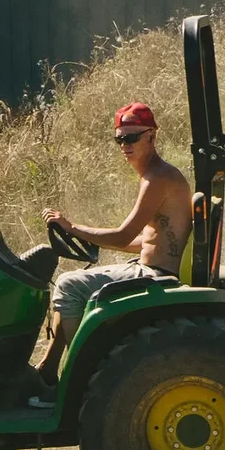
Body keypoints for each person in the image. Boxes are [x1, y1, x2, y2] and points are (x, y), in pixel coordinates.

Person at [31, 101, 192, 399]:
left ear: (151, 136)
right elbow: (147, 240)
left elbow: (122, 235)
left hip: (156, 275)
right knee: (73, 282)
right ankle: (47, 372)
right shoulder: (154, 176)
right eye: (119, 138)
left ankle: (77, 381)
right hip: (150, 266)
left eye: (131, 138)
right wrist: (90, 239)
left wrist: (72, 227)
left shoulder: (159, 178)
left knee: (68, 285)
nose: (125, 145)